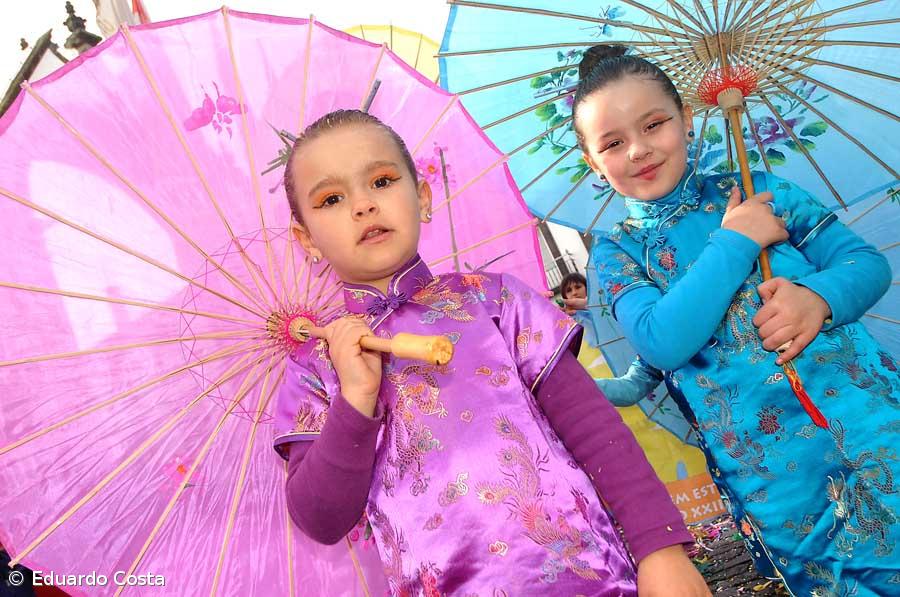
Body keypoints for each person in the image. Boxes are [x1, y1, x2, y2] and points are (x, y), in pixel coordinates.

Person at [272, 109, 710, 595]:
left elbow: (595, 430)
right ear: (305, 239)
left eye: (381, 180)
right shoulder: (315, 370)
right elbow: (321, 518)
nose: (362, 206)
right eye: (332, 198)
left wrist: (660, 548)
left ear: (421, 196)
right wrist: (355, 398)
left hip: (591, 580)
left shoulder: (495, 300)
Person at [575, 43, 899, 595]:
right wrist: (737, 240)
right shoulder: (619, 252)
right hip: (777, 480)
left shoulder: (759, 191)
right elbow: (661, 340)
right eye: (612, 142)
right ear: (594, 163)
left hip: (873, 417)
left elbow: (864, 264)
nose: (638, 150)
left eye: (654, 124)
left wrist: (816, 299)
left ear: (689, 119)